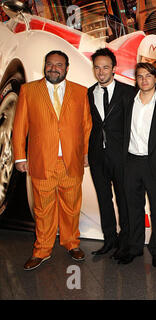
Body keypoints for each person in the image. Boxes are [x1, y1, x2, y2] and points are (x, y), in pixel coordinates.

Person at [12, 50, 92, 270]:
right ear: (44, 65)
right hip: (42, 161)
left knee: (71, 207)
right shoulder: (29, 90)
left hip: (71, 161)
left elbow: (86, 126)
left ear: (67, 68)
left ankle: (71, 243)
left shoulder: (80, 92)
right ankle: (42, 250)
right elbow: (19, 127)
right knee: (43, 209)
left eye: (59, 65)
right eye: (49, 64)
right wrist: (20, 156)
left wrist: (85, 153)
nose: (53, 68)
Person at [120, 62, 156, 265]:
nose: (144, 80)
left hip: (155, 163)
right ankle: (135, 247)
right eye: (140, 76)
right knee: (133, 207)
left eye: (148, 76)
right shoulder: (127, 101)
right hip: (131, 161)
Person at [87, 48, 136, 259]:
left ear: (114, 68)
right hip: (97, 156)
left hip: (122, 157)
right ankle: (109, 240)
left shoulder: (128, 92)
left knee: (124, 201)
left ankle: (126, 243)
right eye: (97, 67)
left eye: (105, 67)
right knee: (104, 199)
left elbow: (138, 123)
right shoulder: (89, 93)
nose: (101, 72)